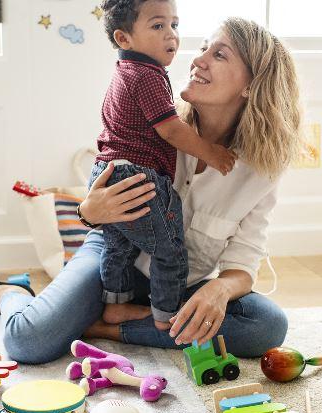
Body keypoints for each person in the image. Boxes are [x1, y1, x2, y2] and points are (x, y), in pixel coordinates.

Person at [0, 17, 302, 364]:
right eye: (203, 47)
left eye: (219, 55)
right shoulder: (155, 122)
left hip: (183, 285)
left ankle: (107, 328)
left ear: (251, 84)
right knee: (27, 341)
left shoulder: (261, 169)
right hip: (114, 259)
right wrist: (88, 212)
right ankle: (8, 293)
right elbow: (98, 193)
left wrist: (220, 289)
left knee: (266, 326)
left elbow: (243, 263)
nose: (198, 59)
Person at [91, 0, 235, 332]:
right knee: (170, 248)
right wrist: (211, 153)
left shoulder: (125, 71)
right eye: (158, 26)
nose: (171, 34)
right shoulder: (148, 75)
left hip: (108, 171)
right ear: (124, 39)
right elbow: (169, 128)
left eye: (174, 24)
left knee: (119, 246)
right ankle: (166, 316)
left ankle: (116, 305)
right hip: (136, 175)